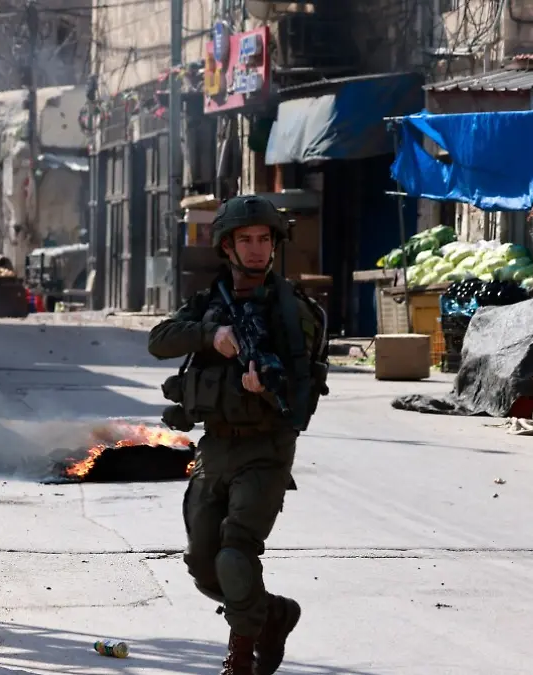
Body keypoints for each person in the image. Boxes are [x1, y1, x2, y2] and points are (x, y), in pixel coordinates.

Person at [146, 195, 329, 675]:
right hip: (216, 445)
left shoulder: (296, 313)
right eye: (245, 239)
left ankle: (241, 658)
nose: (256, 249)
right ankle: (273, 616)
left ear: (275, 245)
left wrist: (265, 391)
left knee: (235, 554)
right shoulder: (209, 303)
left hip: (266, 448)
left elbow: (299, 401)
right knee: (203, 564)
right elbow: (159, 341)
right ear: (227, 247)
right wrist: (211, 335)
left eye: (264, 239)